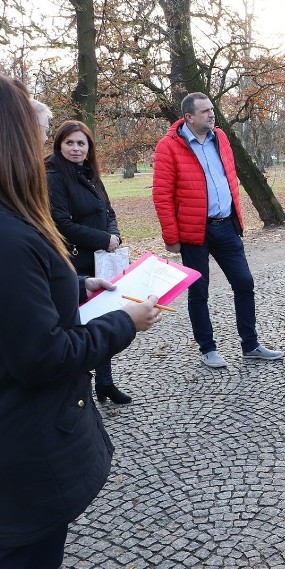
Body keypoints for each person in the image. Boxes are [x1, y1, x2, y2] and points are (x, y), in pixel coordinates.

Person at [0, 73, 161, 569]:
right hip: (23, 465)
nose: (49, 151)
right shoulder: (12, 236)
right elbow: (43, 355)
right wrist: (126, 322)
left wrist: (73, 286)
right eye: (41, 136)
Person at [152, 92, 283, 368]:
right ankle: (208, 349)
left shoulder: (220, 137)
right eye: (205, 111)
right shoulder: (169, 146)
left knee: (245, 283)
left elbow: (228, 178)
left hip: (226, 226)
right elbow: (162, 195)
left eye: (212, 109)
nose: (212, 114)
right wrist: (171, 238)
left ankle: (250, 344)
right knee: (199, 292)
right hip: (194, 232)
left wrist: (237, 218)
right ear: (189, 117)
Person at [47, 120, 132, 404]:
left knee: (103, 318)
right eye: (69, 142)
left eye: (81, 143)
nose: (75, 148)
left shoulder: (90, 174)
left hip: (100, 260)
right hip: (74, 264)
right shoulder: (54, 177)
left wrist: (114, 235)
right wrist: (102, 239)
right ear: (59, 145)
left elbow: (108, 210)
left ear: (89, 148)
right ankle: (79, 391)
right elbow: (61, 223)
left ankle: (105, 384)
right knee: (78, 327)